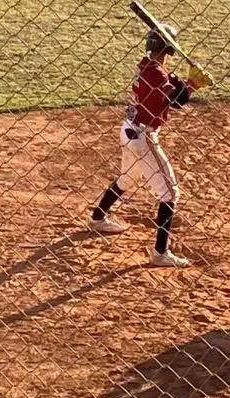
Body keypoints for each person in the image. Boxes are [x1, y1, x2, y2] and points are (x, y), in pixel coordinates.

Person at [87, 25, 213, 267]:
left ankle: (97, 218)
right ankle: (160, 253)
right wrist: (192, 87)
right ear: (169, 47)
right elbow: (174, 101)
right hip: (144, 137)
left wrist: (188, 78)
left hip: (128, 131)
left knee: (127, 179)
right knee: (170, 192)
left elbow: (169, 83)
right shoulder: (155, 74)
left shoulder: (147, 66)